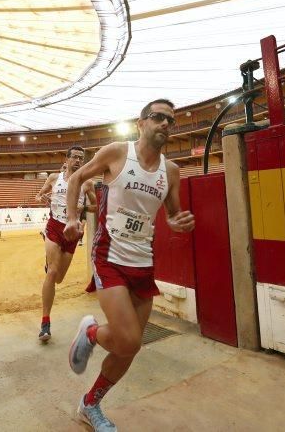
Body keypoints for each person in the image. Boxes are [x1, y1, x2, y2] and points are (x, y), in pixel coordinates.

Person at [62, 99, 195, 431]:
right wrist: (72, 218)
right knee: (130, 340)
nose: (165, 123)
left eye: (171, 120)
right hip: (110, 257)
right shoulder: (118, 153)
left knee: (128, 350)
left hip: (143, 263)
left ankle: (89, 404)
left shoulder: (171, 171)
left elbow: (172, 213)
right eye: (159, 117)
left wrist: (179, 221)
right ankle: (91, 332)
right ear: (141, 123)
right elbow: (77, 178)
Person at [34, 146, 96, 342]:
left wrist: (84, 206)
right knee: (52, 273)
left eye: (81, 158)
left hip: (72, 232)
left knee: (59, 278)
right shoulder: (54, 178)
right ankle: (45, 323)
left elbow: (95, 206)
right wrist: (42, 197)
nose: (78, 160)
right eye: (75, 157)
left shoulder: (87, 183)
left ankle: (51, 264)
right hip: (54, 226)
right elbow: (39, 195)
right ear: (67, 159)